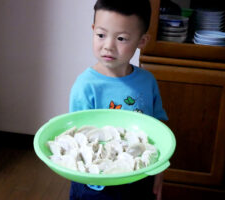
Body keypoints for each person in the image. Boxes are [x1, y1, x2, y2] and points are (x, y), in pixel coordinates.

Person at [69, 0, 168, 199]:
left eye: (121, 38)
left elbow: (160, 132)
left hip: (139, 176)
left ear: (142, 41)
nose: (108, 46)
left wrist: (160, 171)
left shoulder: (147, 82)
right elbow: (76, 140)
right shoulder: (85, 85)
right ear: (93, 30)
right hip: (96, 184)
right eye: (101, 35)